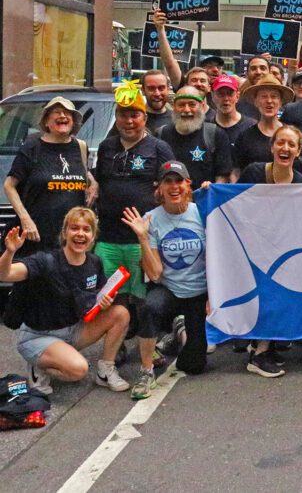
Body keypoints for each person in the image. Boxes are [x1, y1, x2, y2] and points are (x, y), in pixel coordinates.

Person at [237, 126, 302, 378]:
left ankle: (267, 347)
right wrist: (209, 190)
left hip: (283, 253)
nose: (285, 149)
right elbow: (233, 203)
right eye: (280, 143)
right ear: (272, 146)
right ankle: (258, 354)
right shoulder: (255, 172)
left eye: (291, 145)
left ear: (299, 151)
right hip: (252, 250)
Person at [1, 209, 131, 395]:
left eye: (86, 229)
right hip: (38, 336)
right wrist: (9, 252)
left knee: (121, 313)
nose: (80, 234)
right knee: (78, 370)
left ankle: (105, 371)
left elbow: (98, 298)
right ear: (65, 233)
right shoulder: (45, 261)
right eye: (74, 228)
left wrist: (105, 303)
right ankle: (39, 365)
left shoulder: (94, 262)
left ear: (93, 236)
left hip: (73, 329)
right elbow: (4, 273)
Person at [120, 161, 209, 399]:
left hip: (198, 292)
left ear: (188, 184)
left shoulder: (202, 211)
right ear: (159, 188)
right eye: (167, 182)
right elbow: (156, 272)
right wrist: (142, 238)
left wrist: (214, 296)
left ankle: (177, 332)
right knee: (149, 307)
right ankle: (146, 370)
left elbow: (217, 257)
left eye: (178, 181)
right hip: (169, 289)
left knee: (194, 365)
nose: (173, 187)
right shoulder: (151, 219)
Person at [94, 82, 174, 305]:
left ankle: (141, 335)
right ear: (117, 118)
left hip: (142, 240)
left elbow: (172, 186)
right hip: (108, 238)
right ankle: (116, 338)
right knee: (109, 295)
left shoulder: (159, 148)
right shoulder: (106, 147)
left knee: (141, 297)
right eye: (123, 115)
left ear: (144, 118)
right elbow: (100, 180)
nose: (129, 121)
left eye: (134, 115)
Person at [4, 97, 95, 257]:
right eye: (56, 112)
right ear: (46, 121)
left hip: (71, 238)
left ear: (73, 121)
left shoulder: (80, 147)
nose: (63, 115)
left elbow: (83, 172)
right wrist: (26, 220)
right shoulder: (32, 148)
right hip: (37, 237)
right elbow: (9, 185)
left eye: (67, 113)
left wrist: (93, 182)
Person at [156, 87, 232, 187]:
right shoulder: (161, 134)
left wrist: (213, 188)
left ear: (202, 106)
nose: (187, 110)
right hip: (172, 199)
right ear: (174, 107)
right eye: (181, 105)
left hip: (204, 198)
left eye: (192, 104)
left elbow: (223, 175)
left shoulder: (215, 134)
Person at [233, 74, 293, 173]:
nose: (269, 101)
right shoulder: (244, 137)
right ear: (256, 102)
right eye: (264, 96)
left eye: (274, 96)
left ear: (281, 102)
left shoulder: (292, 136)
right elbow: (236, 172)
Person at [210, 74, 256, 152]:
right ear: (212, 96)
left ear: (237, 96)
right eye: (221, 94)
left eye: (230, 93)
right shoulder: (207, 127)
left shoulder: (252, 127)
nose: (226, 98)